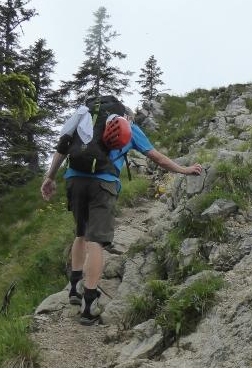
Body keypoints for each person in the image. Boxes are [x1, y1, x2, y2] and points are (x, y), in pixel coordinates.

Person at [40, 95, 202, 325]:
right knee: (96, 242)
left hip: (74, 180)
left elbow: (62, 148)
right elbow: (157, 158)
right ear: (126, 115)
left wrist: (49, 177)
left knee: (80, 233)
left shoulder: (84, 119)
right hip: (103, 184)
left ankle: (74, 288)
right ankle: (89, 303)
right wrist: (184, 170)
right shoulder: (128, 127)